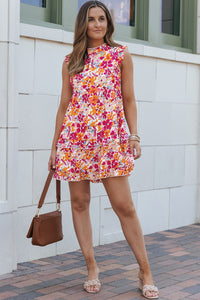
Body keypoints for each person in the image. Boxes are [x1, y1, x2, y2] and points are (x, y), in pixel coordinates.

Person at [48, 1, 159, 298]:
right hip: (75, 141)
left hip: (110, 140)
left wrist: (134, 135)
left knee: (125, 206)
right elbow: (63, 106)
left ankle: (145, 269)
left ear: (109, 23)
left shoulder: (120, 54)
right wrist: (55, 148)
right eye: (92, 19)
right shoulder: (71, 60)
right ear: (82, 24)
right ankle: (91, 266)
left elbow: (129, 99)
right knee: (80, 203)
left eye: (102, 19)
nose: (97, 24)